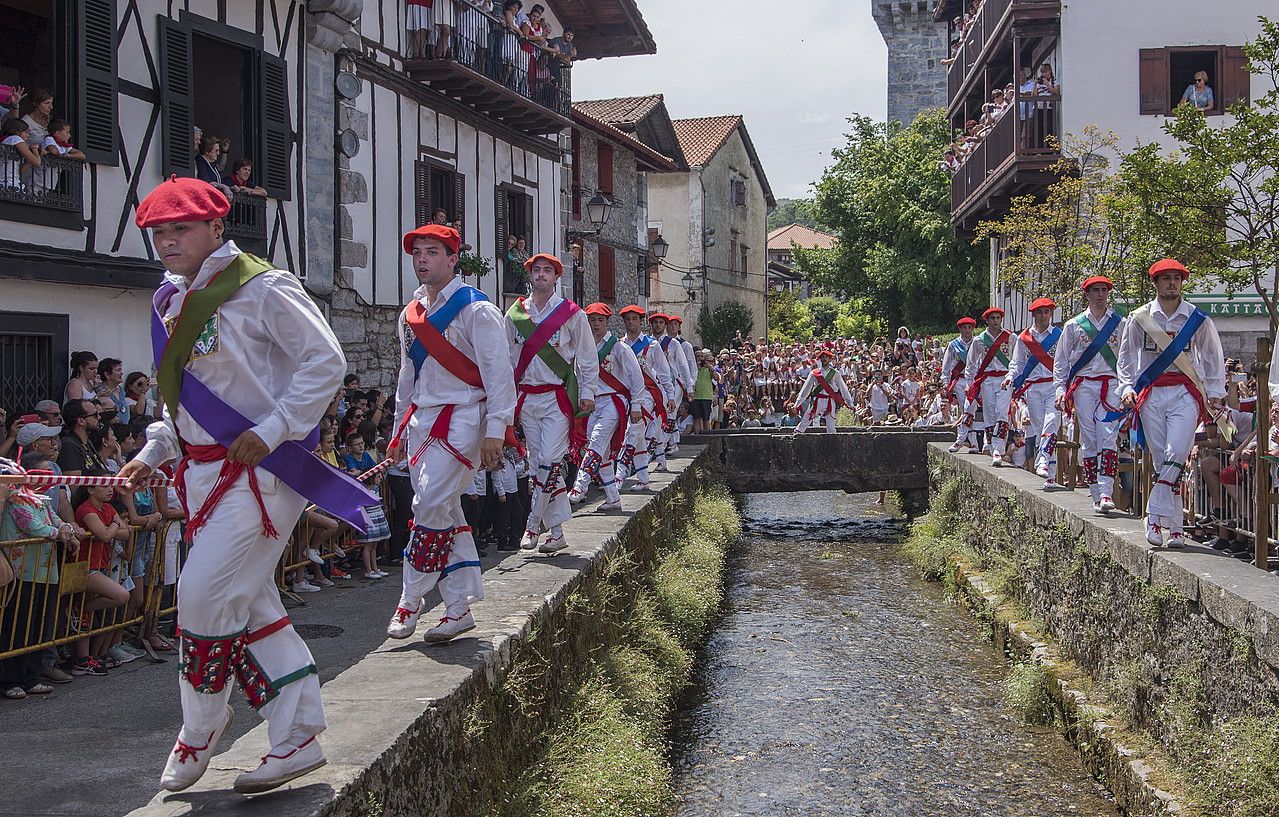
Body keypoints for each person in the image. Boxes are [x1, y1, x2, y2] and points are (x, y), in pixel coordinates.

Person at [116, 176, 374, 794]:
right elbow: (182, 395)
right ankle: (298, 734)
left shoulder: (263, 287)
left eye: (180, 229)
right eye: (158, 232)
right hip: (201, 469)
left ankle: (200, 728)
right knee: (251, 601)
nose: (167, 241)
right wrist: (157, 446)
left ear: (216, 227)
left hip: (263, 471)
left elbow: (326, 360)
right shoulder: (168, 300)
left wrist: (277, 426)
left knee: (204, 595)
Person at [387, 222, 514, 641]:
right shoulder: (410, 314)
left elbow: (499, 374)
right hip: (422, 421)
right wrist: (397, 430)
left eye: (432, 252)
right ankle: (458, 609)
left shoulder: (477, 309)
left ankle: (410, 598)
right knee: (443, 510)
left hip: (464, 418)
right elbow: (407, 376)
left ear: (453, 257)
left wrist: (497, 428)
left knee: (426, 505)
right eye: (417, 252)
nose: (422, 259)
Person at [1117, 258, 1225, 548]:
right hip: (1151, 393)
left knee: (1177, 452)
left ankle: (1153, 517)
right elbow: (1126, 357)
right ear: (1155, 283)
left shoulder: (1197, 319)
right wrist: (1126, 387)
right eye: (1165, 278)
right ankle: (1175, 527)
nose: (1172, 283)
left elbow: (1213, 356)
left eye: (1176, 278)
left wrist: (1215, 390)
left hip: (1185, 393)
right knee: (1163, 459)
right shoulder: (1139, 318)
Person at [506, 252, 598, 553]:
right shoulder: (515, 314)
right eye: (537, 270)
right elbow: (506, 358)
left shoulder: (571, 313)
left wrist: (588, 391)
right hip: (526, 397)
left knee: (547, 459)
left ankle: (532, 525)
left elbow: (586, 355)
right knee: (539, 464)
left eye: (548, 270)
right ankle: (556, 533)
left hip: (557, 396)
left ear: (557, 278)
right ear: (530, 275)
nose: (541, 275)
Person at [1054, 275, 1126, 513]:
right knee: (1090, 438)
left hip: (1111, 384)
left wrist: (1129, 386)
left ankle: (1106, 491)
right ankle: (1095, 491)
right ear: (1087, 294)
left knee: (1108, 435)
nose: (1100, 295)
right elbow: (1062, 361)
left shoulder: (1120, 323)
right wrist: (1060, 389)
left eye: (1104, 290)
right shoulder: (1074, 325)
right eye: (1095, 290)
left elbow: (1127, 359)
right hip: (1084, 386)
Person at [569, 302, 643, 510]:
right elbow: (579, 377)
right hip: (592, 402)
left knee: (597, 441)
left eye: (600, 320)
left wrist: (636, 404)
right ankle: (613, 498)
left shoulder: (619, 347)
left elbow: (636, 377)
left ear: (607, 322)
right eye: (592, 320)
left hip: (613, 400)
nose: (595, 324)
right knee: (599, 451)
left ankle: (579, 486)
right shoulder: (583, 349)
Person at [1003, 298, 1061, 489]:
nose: (1044, 315)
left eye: (1047, 312)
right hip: (1033, 388)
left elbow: (1067, 360)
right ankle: (1050, 476)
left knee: (1051, 421)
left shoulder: (1059, 335)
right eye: (1040, 312)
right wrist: (1011, 377)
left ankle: (1042, 460)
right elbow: (1017, 362)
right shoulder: (1024, 338)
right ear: (1033, 314)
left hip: (1054, 386)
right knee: (1038, 428)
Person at [618, 305, 674, 491]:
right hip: (626, 394)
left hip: (648, 395)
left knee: (633, 431)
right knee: (639, 437)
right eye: (628, 319)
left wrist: (671, 396)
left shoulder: (652, 345)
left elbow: (664, 373)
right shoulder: (619, 345)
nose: (631, 322)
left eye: (635, 319)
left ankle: (620, 472)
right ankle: (643, 479)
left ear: (640, 322)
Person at [965, 307, 1013, 466]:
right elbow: (971, 364)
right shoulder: (979, 340)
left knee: (1001, 412)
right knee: (990, 414)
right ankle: (993, 448)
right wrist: (970, 384)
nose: (995, 321)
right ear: (987, 320)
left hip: (1005, 379)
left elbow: (1018, 358)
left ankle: (999, 448)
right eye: (992, 318)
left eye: (998, 318)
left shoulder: (1010, 337)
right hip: (988, 380)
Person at [793, 349, 854, 433]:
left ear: (830, 359)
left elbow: (843, 388)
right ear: (820, 359)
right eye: (822, 357)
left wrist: (850, 402)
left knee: (831, 426)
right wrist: (797, 404)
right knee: (806, 418)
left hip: (830, 400)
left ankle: (832, 442)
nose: (824, 359)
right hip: (817, 400)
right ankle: (797, 433)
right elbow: (805, 389)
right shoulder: (814, 373)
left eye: (826, 357)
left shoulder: (835, 373)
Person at [944, 317, 977, 452]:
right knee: (966, 411)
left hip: (974, 381)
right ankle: (973, 443)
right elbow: (946, 363)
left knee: (970, 410)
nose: (967, 330)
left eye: (970, 327)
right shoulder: (953, 344)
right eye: (965, 327)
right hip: (959, 380)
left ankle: (961, 440)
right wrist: (945, 380)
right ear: (960, 329)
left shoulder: (978, 342)